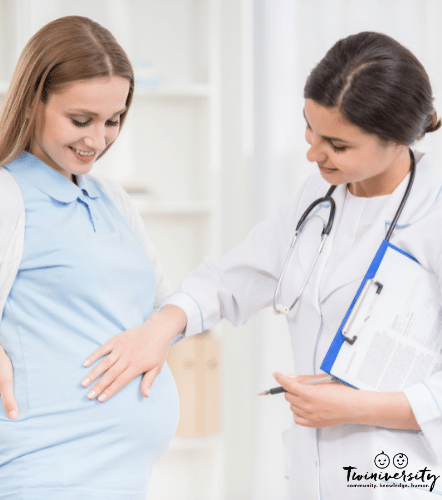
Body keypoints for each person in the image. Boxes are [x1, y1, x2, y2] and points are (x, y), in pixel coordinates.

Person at [84, 32, 442, 498]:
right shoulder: (318, 198)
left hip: (406, 475)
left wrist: (359, 407)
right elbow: (232, 280)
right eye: (309, 128)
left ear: (398, 140)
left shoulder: (432, 209)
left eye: (336, 143)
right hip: (320, 473)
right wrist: (162, 328)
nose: (313, 152)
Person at [0, 15, 181, 500]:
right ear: (34, 103)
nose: (97, 140)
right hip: (41, 475)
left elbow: (166, 308)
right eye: (80, 120)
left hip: (123, 479)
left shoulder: (112, 200)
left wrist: (159, 333)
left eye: (113, 121)